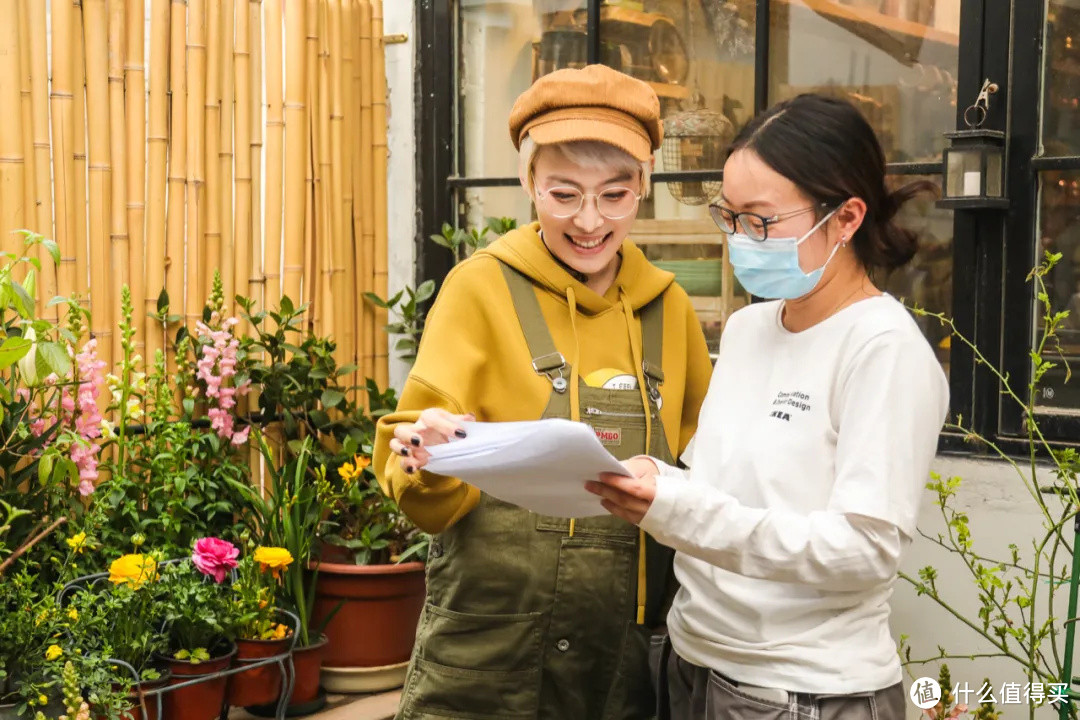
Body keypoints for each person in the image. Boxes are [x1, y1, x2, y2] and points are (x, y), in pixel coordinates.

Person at [587, 93, 949, 720]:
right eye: (728, 216)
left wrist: (680, 509)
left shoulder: (882, 348)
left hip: (801, 689)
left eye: (760, 221)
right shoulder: (751, 328)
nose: (739, 239)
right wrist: (653, 483)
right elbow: (720, 488)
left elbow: (863, 552)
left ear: (846, 218)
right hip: (692, 660)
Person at [372, 63, 713, 720]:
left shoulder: (668, 309)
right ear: (528, 183)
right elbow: (417, 487)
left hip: (623, 662)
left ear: (643, 187)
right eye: (564, 195)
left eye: (615, 195)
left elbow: (706, 467)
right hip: (487, 651)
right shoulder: (479, 289)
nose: (591, 222)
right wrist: (427, 453)